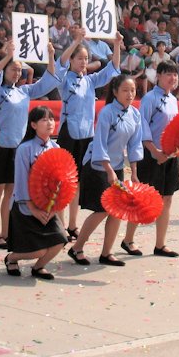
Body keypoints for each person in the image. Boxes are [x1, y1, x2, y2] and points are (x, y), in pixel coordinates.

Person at [0, 38, 65, 250]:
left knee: (12, 191)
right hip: (1, 145)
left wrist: (50, 57)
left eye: (19, 70)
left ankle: (8, 231)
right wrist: (9, 55)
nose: (17, 73)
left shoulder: (24, 91)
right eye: (13, 69)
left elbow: (48, 82)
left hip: (18, 148)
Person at [68, 74, 143, 267]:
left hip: (117, 165)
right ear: (116, 92)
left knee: (117, 210)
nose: (129, 94)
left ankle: (106, 253)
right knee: (102, 210)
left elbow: (135, 145)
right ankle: (77, 248)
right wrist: (108, 170)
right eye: (125, 90)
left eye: (132, 90)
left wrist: (134, 172)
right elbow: (100, 143)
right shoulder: (107, 112)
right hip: (97, 165)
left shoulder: (135, 114)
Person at [56, 28, 122, 241]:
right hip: (69, 134)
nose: (83, 62)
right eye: (80, 59)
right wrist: (76, 41)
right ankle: (59, 224)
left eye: (86, 59)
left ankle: (73, 225)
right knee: (64, 182)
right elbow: (60, 63)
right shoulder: (64, 80)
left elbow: (112, 68)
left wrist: (117, 45)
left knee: (78, 182)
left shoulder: (91, 81)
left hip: (87, 135)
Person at [122, 61, 179, 257]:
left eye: (175, 74)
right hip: (151, 155)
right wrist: (154, 151)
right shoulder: (150, 98)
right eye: (168, 74)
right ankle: (128, 239)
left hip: (171, 155)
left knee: (167, 198)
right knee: (143, 198)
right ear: (159, 76)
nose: (172, 78)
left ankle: (160, 244)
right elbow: (143, 127)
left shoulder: (173, 99)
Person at [4, 106, 69, 280]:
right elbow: (20, 182)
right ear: (33, 125)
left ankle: (38, 267)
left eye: (51, 119)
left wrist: (53, 210)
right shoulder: (25, 149)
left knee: (61, 240)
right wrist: (33, 208)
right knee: (38, 250)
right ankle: (11, 258)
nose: (50, 123)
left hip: (48, 208)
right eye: (44, 120)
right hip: (26, 208)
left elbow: (61, 182)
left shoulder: (56, 147)